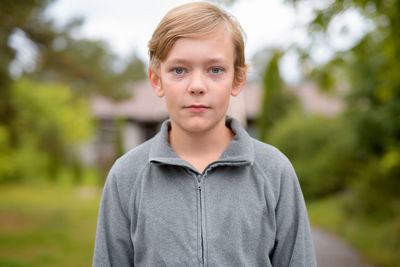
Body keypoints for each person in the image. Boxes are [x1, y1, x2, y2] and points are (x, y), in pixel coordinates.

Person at [92, 2, 317, 266]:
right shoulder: (127, 176)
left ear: (238, 80)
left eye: (215, 70)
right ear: (156, 80)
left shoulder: (274, 171)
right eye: (179, 70)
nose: (197, 86)